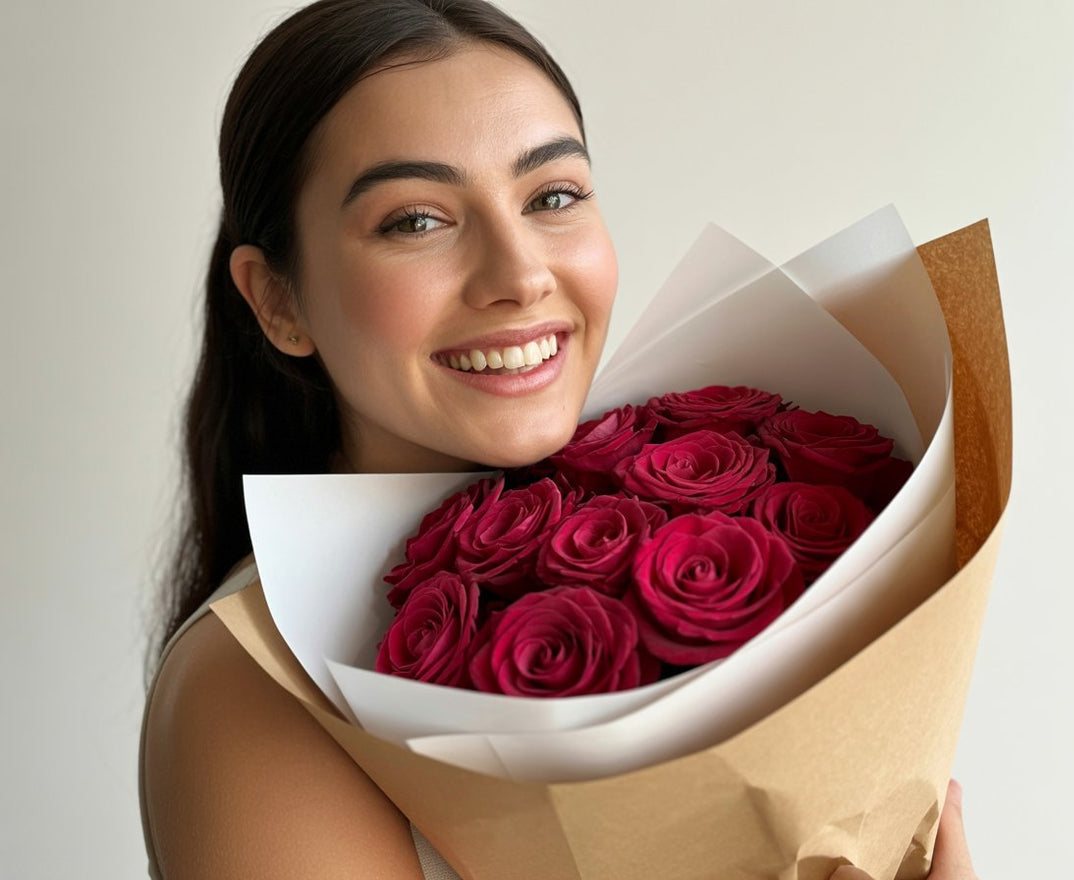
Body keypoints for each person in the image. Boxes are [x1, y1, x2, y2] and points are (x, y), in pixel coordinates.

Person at [139, 1, 978, 877]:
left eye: (552, 196)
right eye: (416, 220)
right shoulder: (248, 691)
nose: (520, 274)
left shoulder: (648, 523)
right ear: (277, 300)